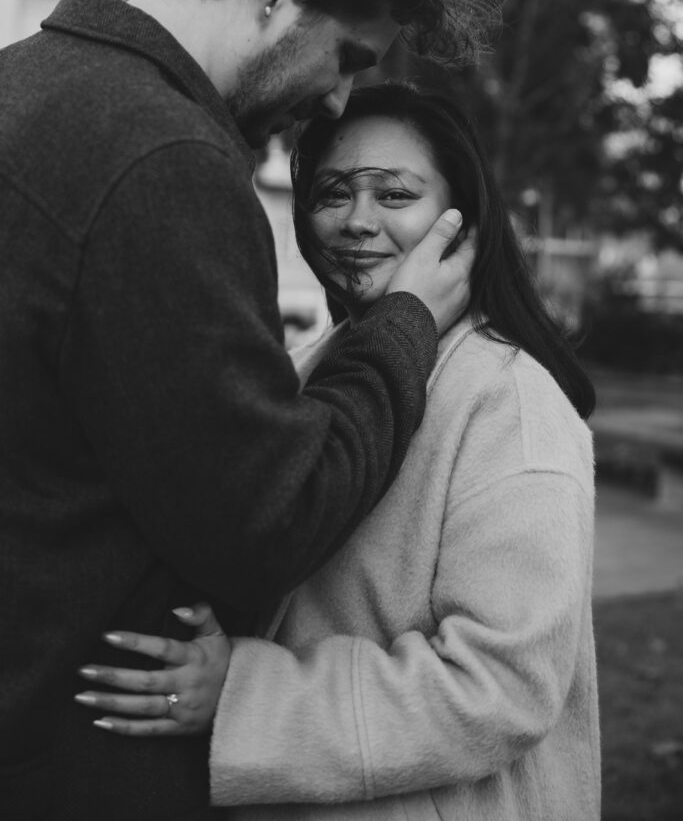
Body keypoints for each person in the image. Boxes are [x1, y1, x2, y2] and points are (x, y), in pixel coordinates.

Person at [0, 0, 483, 821]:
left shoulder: (18, 86)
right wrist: (399, 323)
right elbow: (270, 518)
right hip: (75, 763)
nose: (342, 94)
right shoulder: (162, 161)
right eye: (348, 52)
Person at [78, 83, 600, 821]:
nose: (358, 221)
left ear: (463, 221)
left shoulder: (509, 404)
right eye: (332, 193)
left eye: (394, 194)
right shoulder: (296, 373)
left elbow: (502, 687)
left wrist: (239, 695)